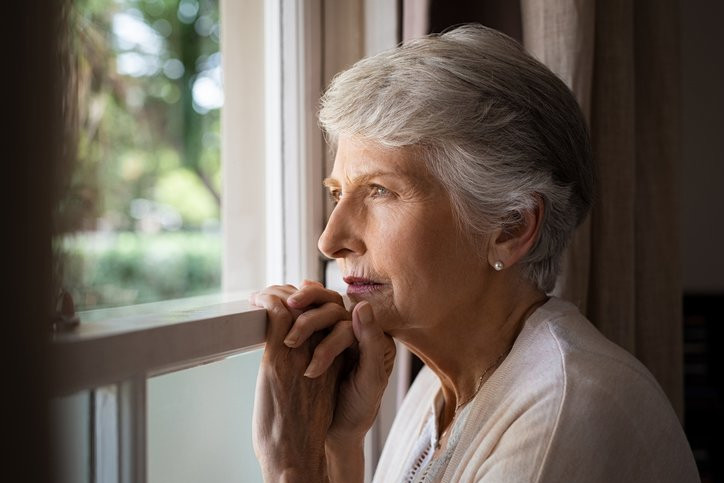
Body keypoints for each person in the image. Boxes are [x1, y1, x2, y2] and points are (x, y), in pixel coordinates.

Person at [250, 24, 699, 482]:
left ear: (511, 227)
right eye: (337, 192)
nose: (330, 240)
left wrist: (293, 466)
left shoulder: (566, 411)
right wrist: (340, 445)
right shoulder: (437, 389)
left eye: (380, 191)